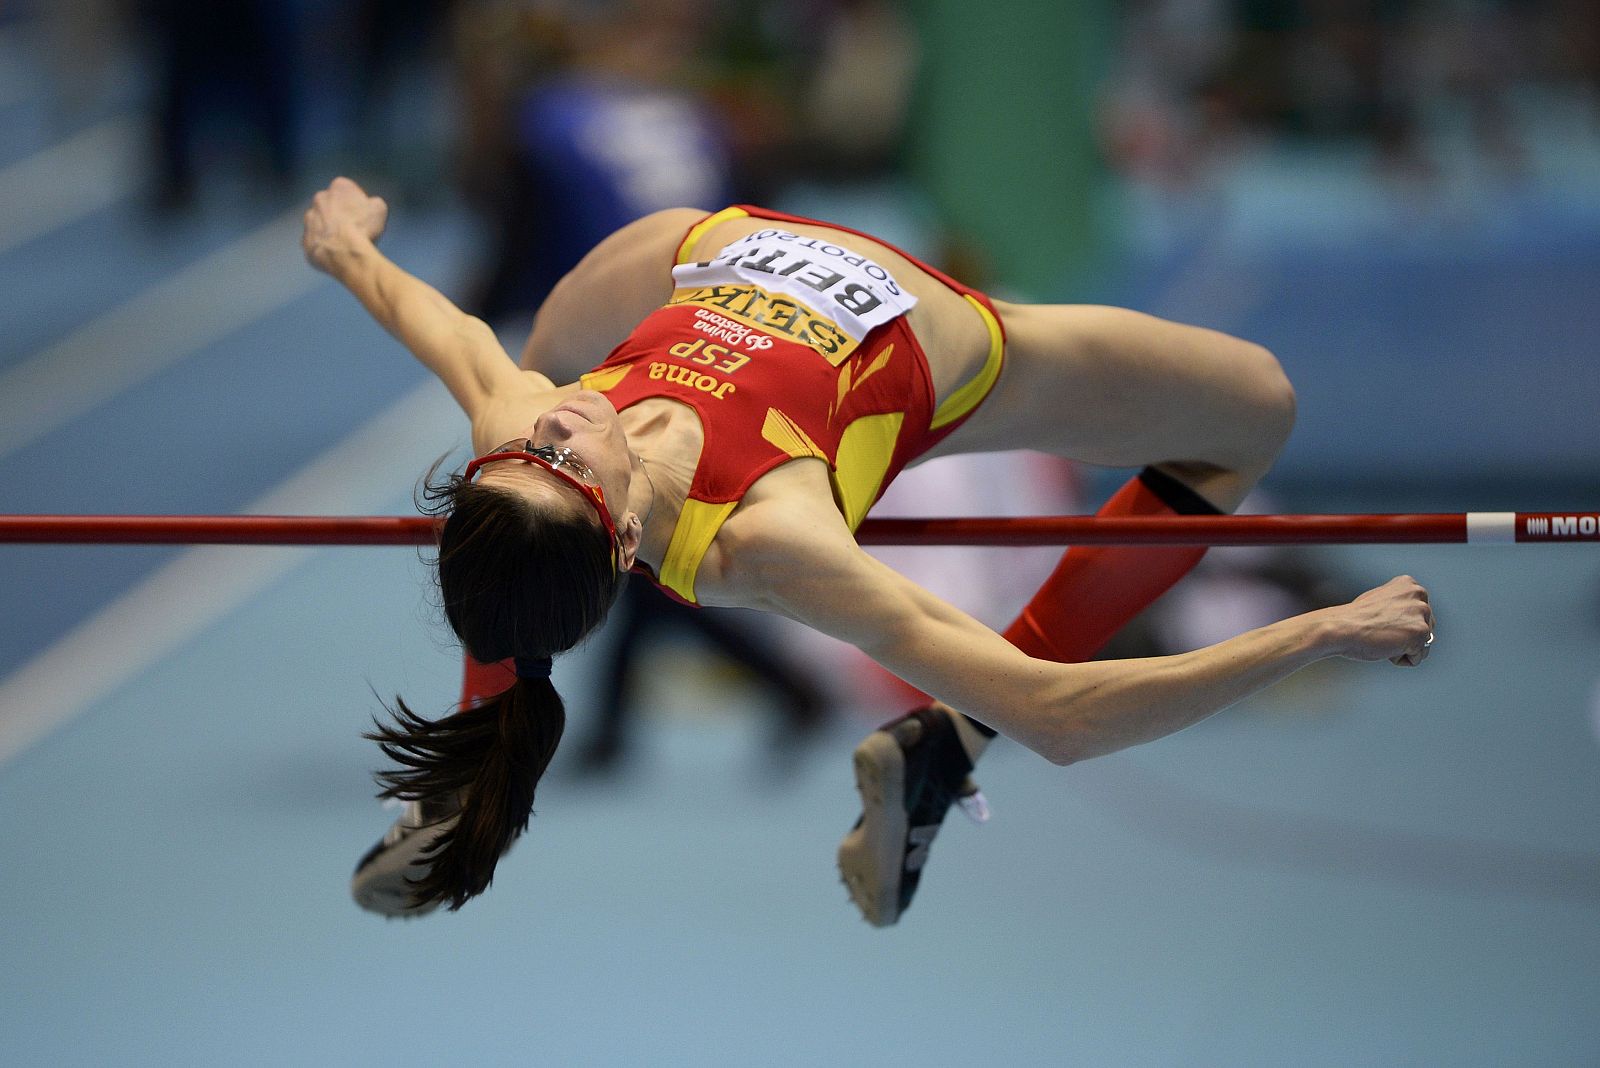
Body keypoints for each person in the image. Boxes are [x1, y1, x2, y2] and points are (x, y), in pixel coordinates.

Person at [302, 176, 1435, 924]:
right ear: (628, 532)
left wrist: (347, 244)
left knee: (549, 346)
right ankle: (942, 751)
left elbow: (437, 324)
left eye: (519, 453)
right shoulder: (767, 536)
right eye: (562, 461)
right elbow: (1065, 714)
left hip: (704, 254)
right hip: (966, 345)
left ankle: (469, 762)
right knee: (1257, 412)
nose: (548, 425)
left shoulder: (523, 433)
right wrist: (1320, 630)